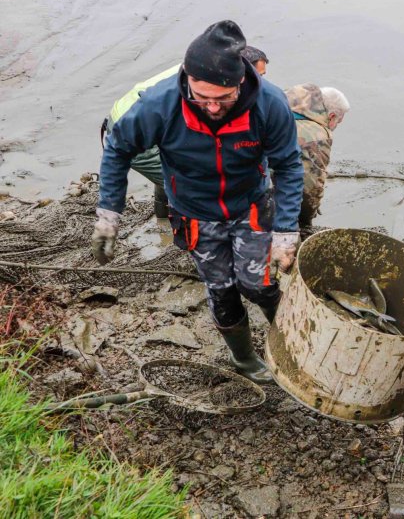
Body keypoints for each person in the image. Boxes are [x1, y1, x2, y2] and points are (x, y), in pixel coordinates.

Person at [93, 20, 303, 384]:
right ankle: (245, 359)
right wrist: (108, 213)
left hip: (249, 204)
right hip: (194, 212)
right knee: (221, 290)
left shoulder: (270, 104)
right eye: (201, 97)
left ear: (241, 81)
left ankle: (290, 342)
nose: (213, 107)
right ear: (187, 78)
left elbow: (287, 165)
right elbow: (118, 148)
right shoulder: (160, 104)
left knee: (259, 284)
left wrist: (287, 230)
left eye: (223, 98)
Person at [101, 46, 271, 218]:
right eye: (258, 76)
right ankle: (189, 231)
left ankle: (161, 215)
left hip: (125, 113)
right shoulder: (207, 88)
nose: (261, 82)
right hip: (132, 129)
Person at [284, 84, 350, 228]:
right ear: (331, 116)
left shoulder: (279, 100)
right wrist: (306, 220)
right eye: (337, 122)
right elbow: (310, 187)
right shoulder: (317, 136)